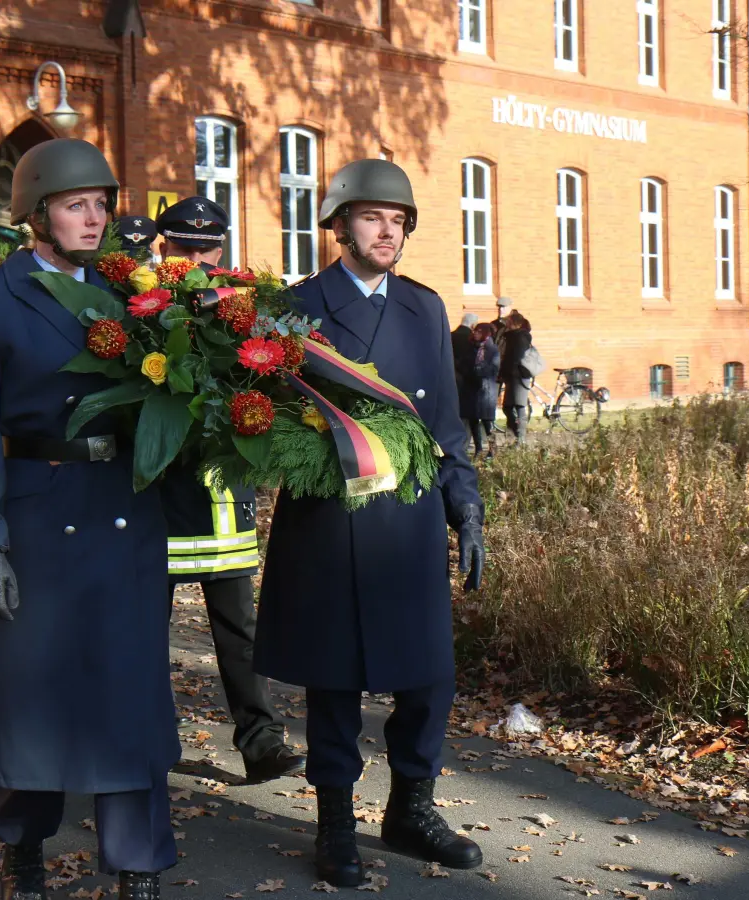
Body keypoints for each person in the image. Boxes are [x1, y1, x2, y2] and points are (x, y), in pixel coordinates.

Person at [0, 139, 179, 900]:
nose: (95, 217)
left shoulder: (128, 296)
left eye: (101, 203)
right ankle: (22, 849)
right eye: (77, 204)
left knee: (129, 689)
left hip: (122, 514)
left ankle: (137, 861)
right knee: (31, 693)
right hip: (38, 520)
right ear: (36, 214)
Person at [254, 159, 486, 886]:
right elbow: (263, 425)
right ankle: (335, 825)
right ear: (338, 225)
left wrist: (467, 507)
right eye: (371, 218)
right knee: (335, 679)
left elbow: (445, 425)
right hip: (331, 519)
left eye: (398, 221)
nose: (387, 232)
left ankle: (410, 810)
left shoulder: (424, 308)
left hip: (409, 519)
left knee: (428, 678)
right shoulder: (294, 309)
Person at [153, 195, 305, 784]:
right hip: (153, 491)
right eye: (185, 249)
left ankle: (261, 741)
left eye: (206, 247)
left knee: (240, 630)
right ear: (165, 247)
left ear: (221, 246)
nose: (197, 260)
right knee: (145, 630)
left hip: (219, 491)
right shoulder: (138, 304)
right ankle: (152, 738)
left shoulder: (248, 304)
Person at [463, 322, 501, 460]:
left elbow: (494, 369)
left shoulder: (492, 349)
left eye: (479, 331)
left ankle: (492, 449)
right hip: (472, 389)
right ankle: (478, 448)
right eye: (474, 331)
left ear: (485, 333)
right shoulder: (470, 348)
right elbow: (464, 364)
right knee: (473, 420)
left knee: (487, 422)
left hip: (486, 391)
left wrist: (478, 370)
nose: (475, 333)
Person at [498, 311, 533, 444]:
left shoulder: (520, 337)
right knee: (507, 407)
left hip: (519, 376)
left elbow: (516, 358)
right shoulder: (511, 336)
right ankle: (516, 432)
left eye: (508, 322)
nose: (506, 324)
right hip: (511, 376)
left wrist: (509, 371)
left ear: (513, 323)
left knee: (519, 406)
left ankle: (521, 439)